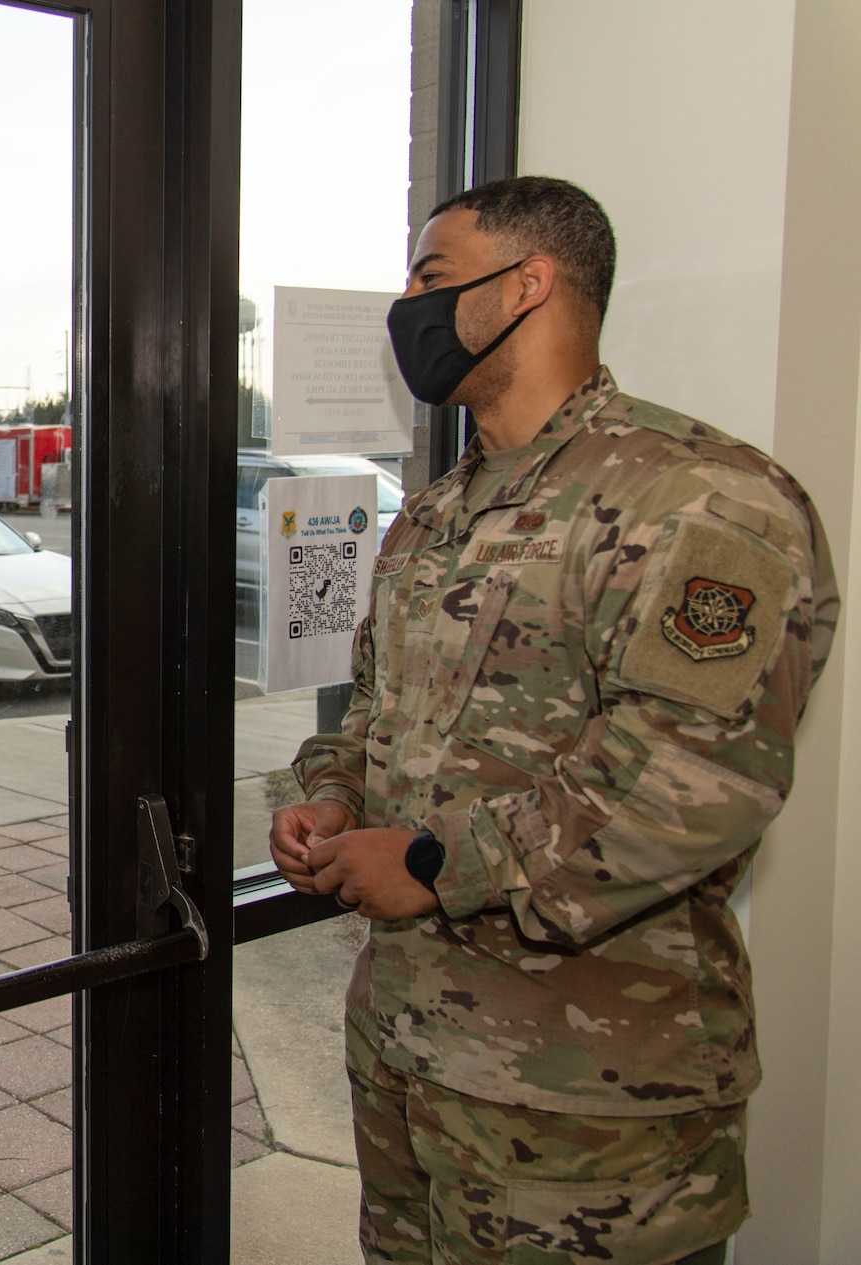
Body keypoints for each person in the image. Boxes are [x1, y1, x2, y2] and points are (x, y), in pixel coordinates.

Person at [271, 176, 839, 1265]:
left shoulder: (698, 496)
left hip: (584, 1105)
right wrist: (328, 792)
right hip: (406, 1047)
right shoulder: (439, 509)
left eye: (430, 277)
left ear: (527, 284)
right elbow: (378, 708)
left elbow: (689, 780)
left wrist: (436, 861)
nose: (407, 305)